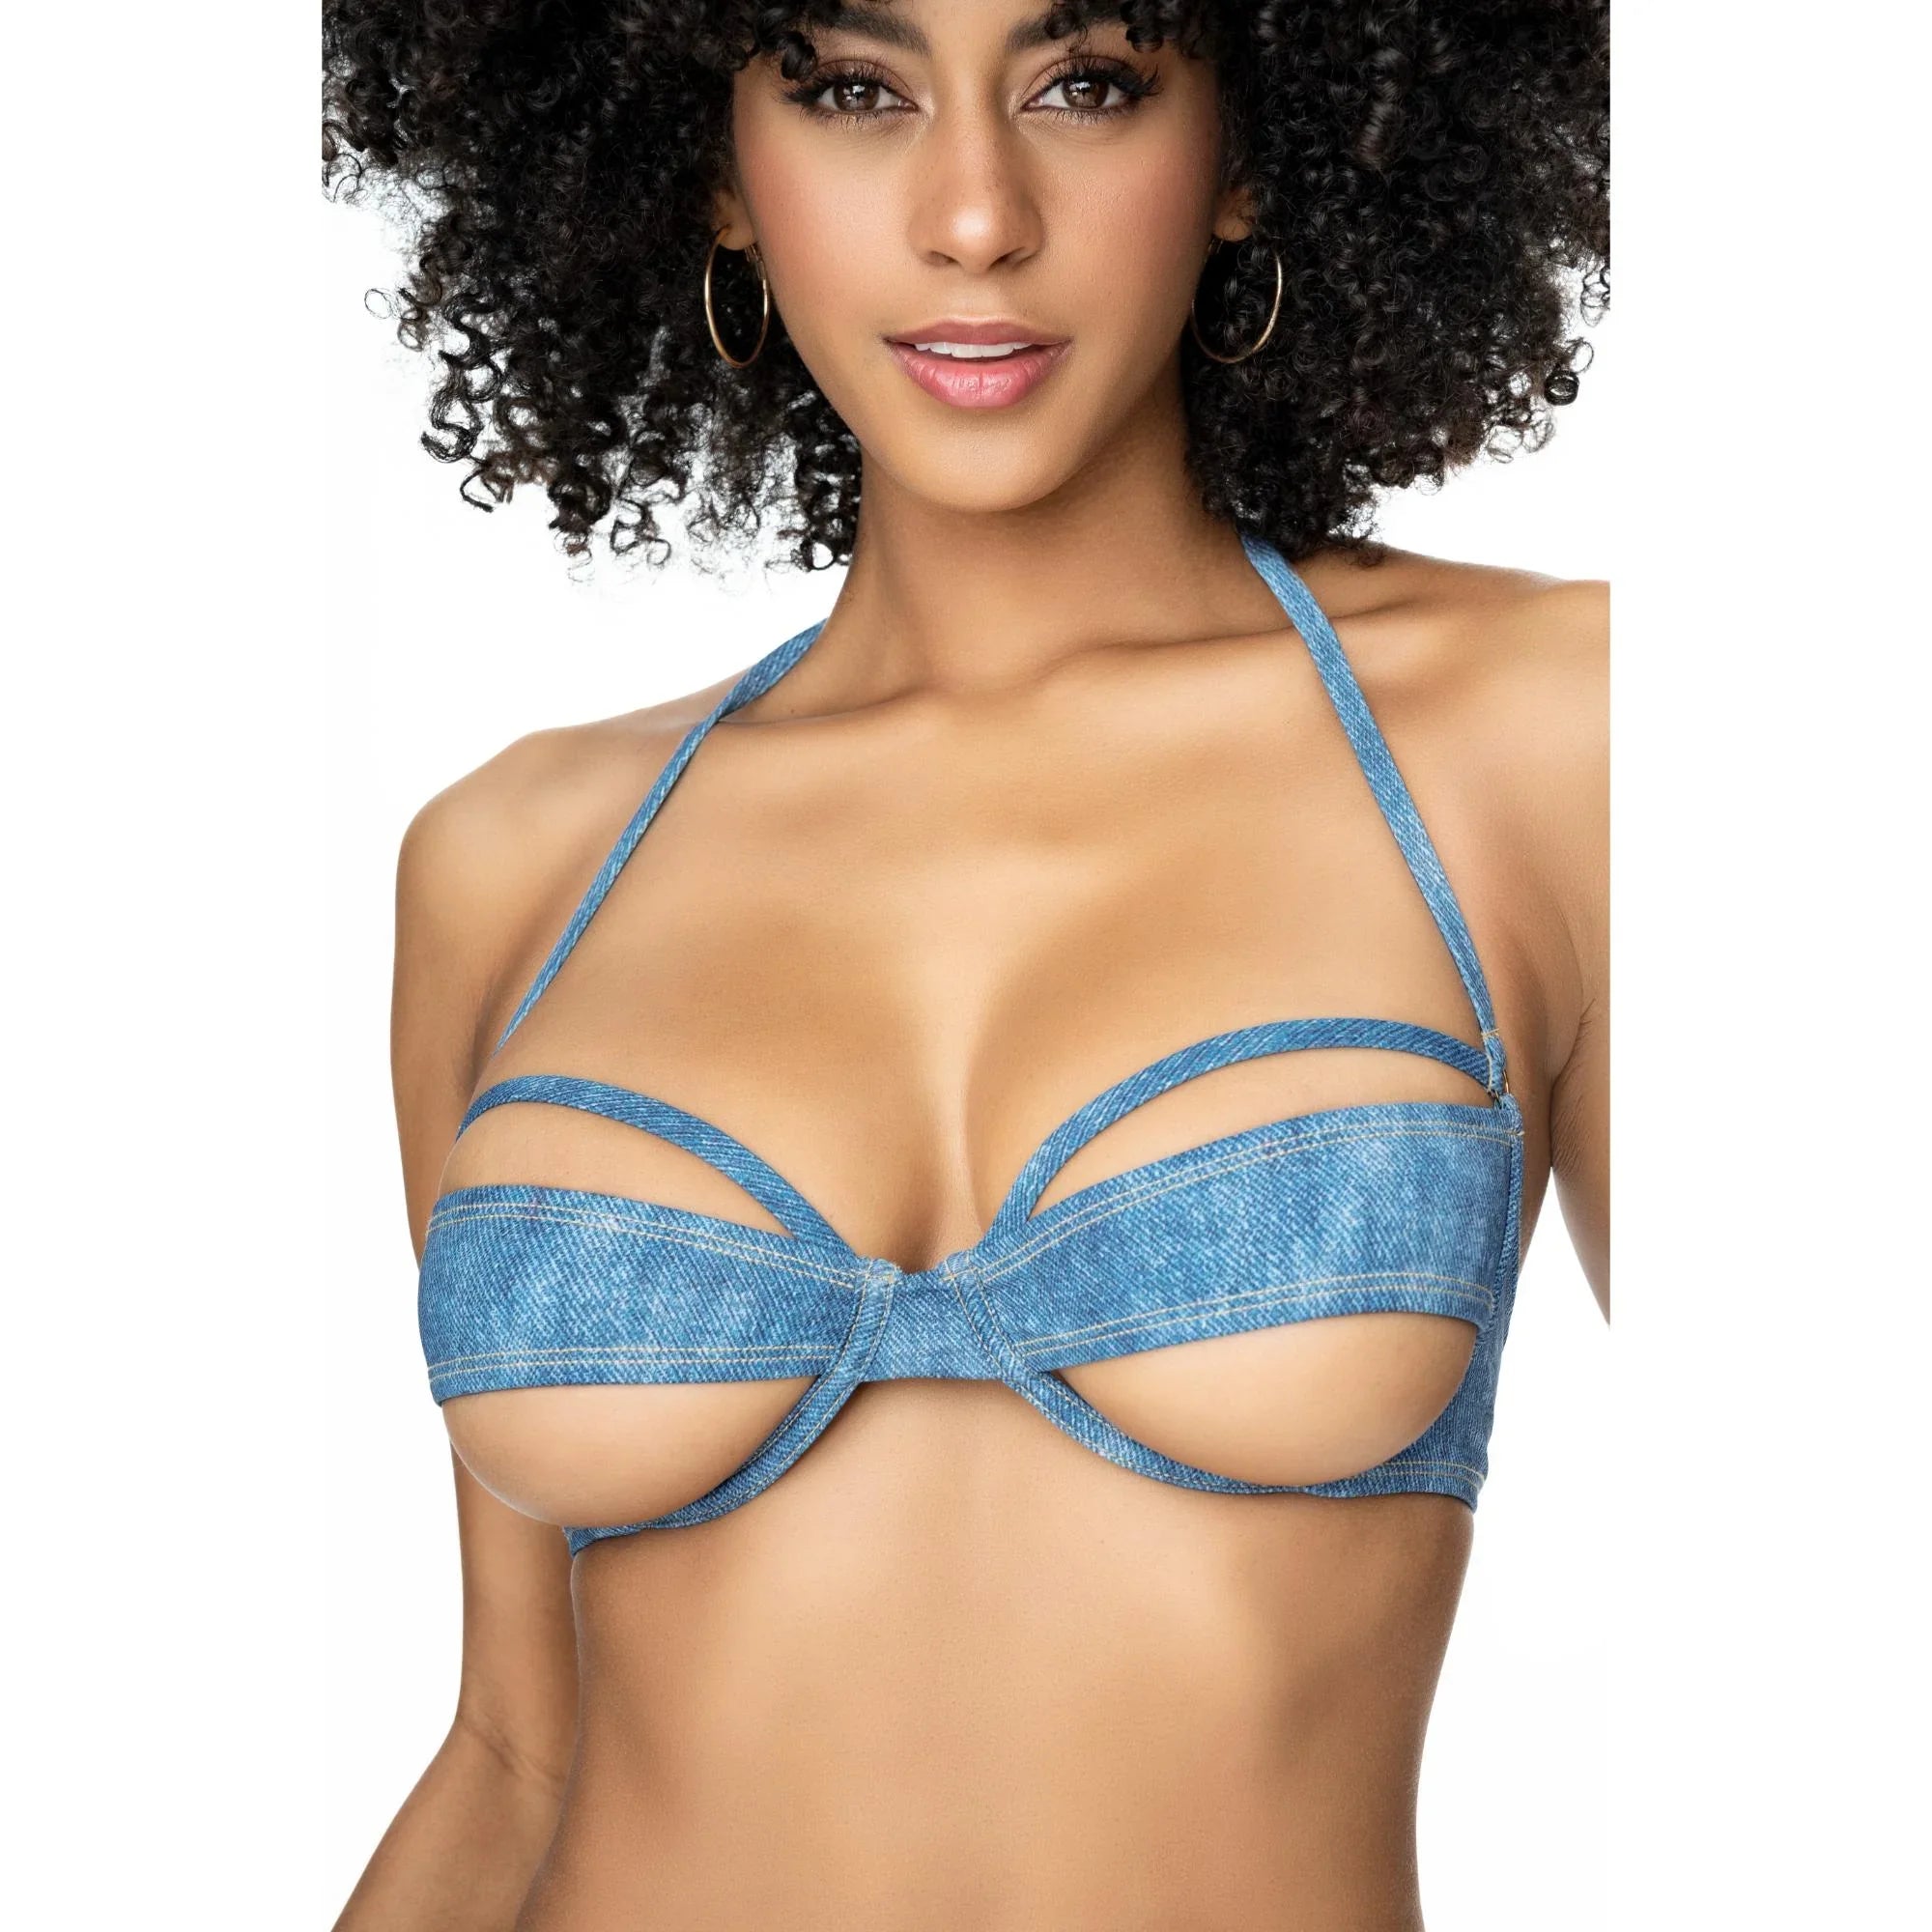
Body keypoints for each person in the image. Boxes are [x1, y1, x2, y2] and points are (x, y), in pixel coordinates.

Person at [325, 2, 1609, 1925]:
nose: (976, 216)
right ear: (714, 171)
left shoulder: (1553, 734)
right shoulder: (519, 861)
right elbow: (513, 1753)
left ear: (1251, 147)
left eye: (1087, 86)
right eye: (853, 91)